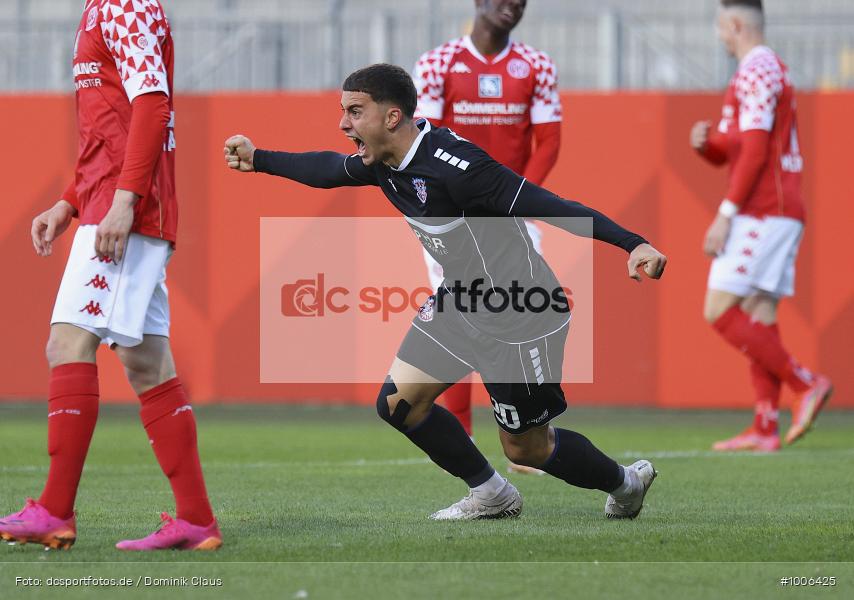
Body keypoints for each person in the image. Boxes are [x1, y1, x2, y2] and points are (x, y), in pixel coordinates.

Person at [225, 63, 666, 520]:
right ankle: (492, 494)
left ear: (392, 117)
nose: (343, 124)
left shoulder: (460, 168)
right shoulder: (384, 162)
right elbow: (329, 168)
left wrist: (632, 243)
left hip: (521, 311)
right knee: (399, 405)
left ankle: (626, 484)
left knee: (526, 448)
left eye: (355, 112)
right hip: (462, 302)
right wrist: (260, 159)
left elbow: (550, 205)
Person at [0, 0, 220, 551]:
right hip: (107, 204)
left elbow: (152, 104)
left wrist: (124, 204)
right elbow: (109, 130)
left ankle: (53, 510)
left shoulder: (126, 6)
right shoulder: (100, 11)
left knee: (67, 343)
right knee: (146, 362)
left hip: (125, 211)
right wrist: (69, 202)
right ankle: (195, 520)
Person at [413, 0, 561, 474]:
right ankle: (463, 439)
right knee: (462, 312)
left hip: (512, 217)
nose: (511, 6)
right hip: (453, 219)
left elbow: (549, 140)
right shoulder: (438, 63)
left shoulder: (536, 65)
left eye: (520, 1)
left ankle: (527, 434)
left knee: (523, 312)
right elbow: (427, 141)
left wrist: (517, 203)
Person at [690, 0, 832, 452]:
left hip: (764, 209)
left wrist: (725, 215)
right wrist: (707, 146)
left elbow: (753, 152)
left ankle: (804, 383)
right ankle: (765, 427)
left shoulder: (756, 69)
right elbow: (739, 148)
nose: (719, 37)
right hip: (781, 209)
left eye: (720, 28)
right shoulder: (768, 70)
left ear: (734, 24)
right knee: (760, 315)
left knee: (719, 310)